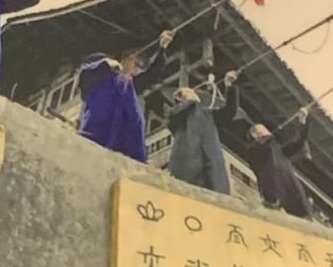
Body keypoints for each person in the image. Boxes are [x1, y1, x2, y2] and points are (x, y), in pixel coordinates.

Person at [78, 30, 172, 162]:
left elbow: (151, 74)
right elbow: (87, 71)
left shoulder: (125, 85)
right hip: (96, 134)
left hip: (122, 142)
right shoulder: (93, 81)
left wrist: (162, 48)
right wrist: (105, 63)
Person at [166, 70, 240, 194]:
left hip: (211, 163)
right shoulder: (175, 113)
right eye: (189, 92)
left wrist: (229, 87)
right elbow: (174, 119)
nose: (194, 94)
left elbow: (229, 112)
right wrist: (190, 100)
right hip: (187, 164)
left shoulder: (209, 114)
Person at [246, 108, 313, 218]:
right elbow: (262, 148)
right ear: (254, 135)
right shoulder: (253, 150)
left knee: (304, 218)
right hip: (274, 193)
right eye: (263, 129)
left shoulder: (279, 150)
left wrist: (302, 121)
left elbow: (299, 141)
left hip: (292, 191)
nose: (267, 131)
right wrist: (268, 138)